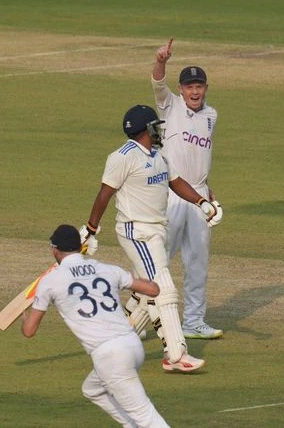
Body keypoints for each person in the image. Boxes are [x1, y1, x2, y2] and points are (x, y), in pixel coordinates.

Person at [79, 104, 222, 372]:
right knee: (163, 289)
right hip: (136, 231)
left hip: (157, 231)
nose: (159, 130)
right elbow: (104, 194)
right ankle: (176, 355)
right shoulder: (122, 157)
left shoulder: (160, 155)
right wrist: (90, 228)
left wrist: (202, 202)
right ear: (145, 129)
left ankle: (115, 338)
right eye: (155, 126)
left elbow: (176, 183)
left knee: (146, 294)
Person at [22, 224, 171, 428]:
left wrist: (24, 320)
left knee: (146, 416)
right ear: (79, 247)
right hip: (133, 345)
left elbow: (29, 331)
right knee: (93, 389)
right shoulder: (106, 269)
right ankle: (130, 425)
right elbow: (153, 290)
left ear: (54, 249)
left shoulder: (50, 281)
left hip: (109, 355)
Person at [151, 38, 223, 339]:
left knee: (197, 263)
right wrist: (162, 61)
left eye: (199, 86)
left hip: (199, 195)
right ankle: (146, 319)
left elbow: (200, 155)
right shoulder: (170, 106)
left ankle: (193, 322)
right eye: (189, 87)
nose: (194, 91)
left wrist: (208, 189)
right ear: (181, 90)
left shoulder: (211, 116)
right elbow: (157, 83)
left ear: (205, 88)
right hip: (172, 194)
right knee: (158, 260)